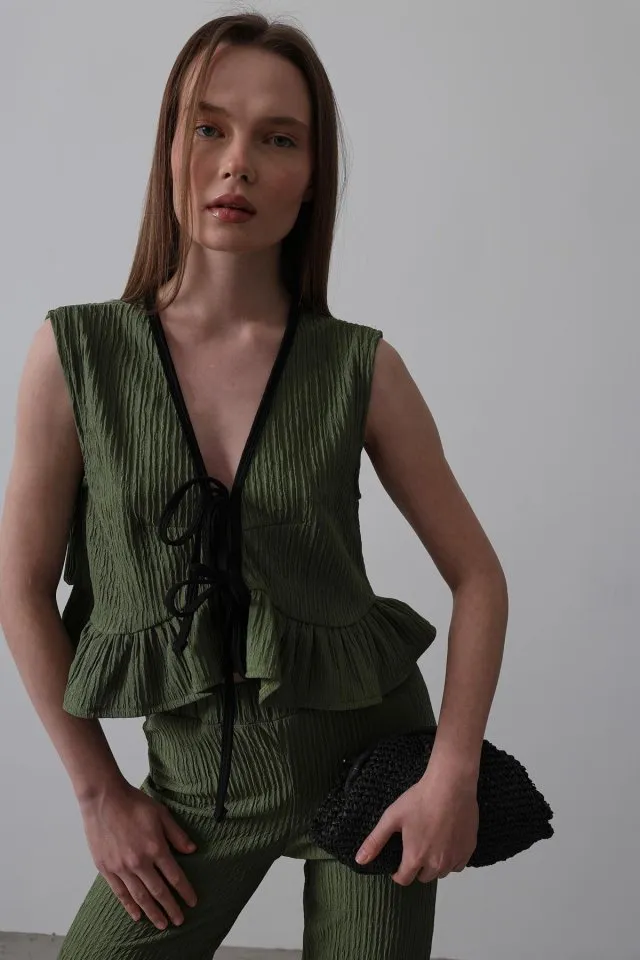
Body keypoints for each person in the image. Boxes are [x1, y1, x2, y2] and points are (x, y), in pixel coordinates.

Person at [0, 11, 509, 960]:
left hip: (375, 772)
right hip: (198, 789)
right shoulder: (74, 358)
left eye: (279, 139)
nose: (237, 163)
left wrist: (452, 773)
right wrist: (100, 793)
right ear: (169, 145)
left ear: (312, 176)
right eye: (210, 126)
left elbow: (479, 578)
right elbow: (20, 589)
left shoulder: (361, 368)